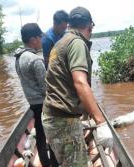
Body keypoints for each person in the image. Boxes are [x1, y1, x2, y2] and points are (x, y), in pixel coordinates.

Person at [42, 6, 114, 166]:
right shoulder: (77, 43)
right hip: (62, 120)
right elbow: (80, 82)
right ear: (90, 26)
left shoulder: (61, 42)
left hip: (52, 116)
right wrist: (101, 123)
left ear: (69, 25)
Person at [14, 23, 51, 167]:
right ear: (33, 39)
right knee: (49, 134)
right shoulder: (35, 59)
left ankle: (44, 161)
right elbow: (45, 87)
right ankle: (50, 163)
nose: (41, 40)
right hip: (43, 103)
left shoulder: (18, 58)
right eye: (40, 37)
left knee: (41, 135)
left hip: (33, 103)